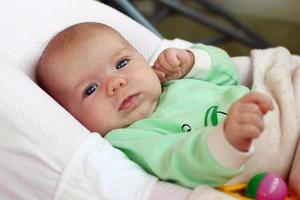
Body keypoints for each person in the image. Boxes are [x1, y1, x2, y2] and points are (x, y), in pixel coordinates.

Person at [36, 22, 274, 189]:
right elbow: (177, 159)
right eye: (90, 89)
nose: (116, 83)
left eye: (121, 63)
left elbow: (228, 74)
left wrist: (192, 61)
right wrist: (227, 139)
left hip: (279, 110)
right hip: (262, 152)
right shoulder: (128, 139)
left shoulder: (174, 82)